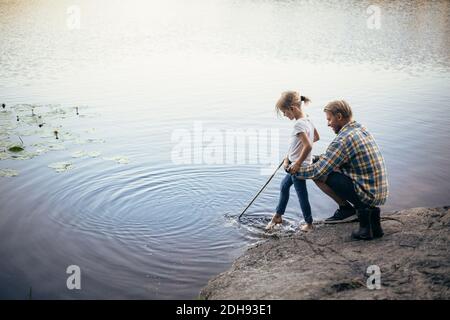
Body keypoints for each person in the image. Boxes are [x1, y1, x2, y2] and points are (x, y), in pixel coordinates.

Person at [294, 100, 388, 240]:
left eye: (329, 119)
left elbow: (318, 171)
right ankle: (374, 226)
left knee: (320, 175)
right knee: (324, 165)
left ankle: (362, 226)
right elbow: (332, 158)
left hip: (367, 194)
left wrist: (295, 171)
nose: (328, 124)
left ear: (339, 117)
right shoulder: (359, 128)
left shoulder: (343, 140)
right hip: (378, 191)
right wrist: (313, 158)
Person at [266, 91, 320, 232]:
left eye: (284, 112)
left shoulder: (298, 125)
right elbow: (316, 137)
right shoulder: (308, 120)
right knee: (284, 186)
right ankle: (278, 216)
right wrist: (290, 156)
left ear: (292, 108)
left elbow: (308, 145)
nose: (284, 115)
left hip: (298, 168)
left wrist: (296, 162)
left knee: (302, 194)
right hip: (295, 164)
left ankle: (309, 223)